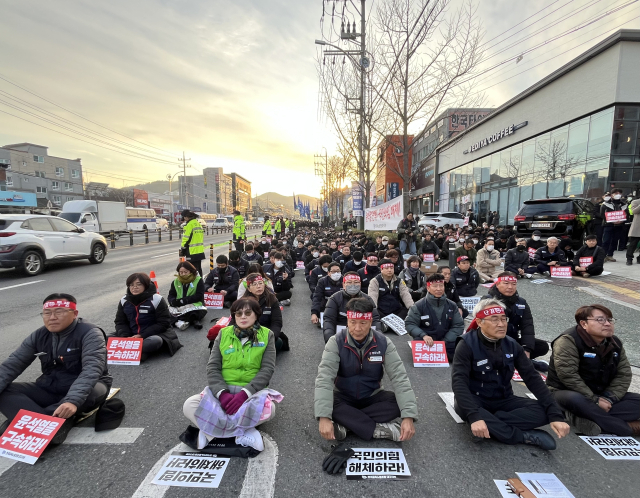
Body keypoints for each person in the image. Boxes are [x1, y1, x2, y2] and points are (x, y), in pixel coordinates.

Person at [452, 300, 570, 449]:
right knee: (466, 409)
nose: (501, 324)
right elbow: (459, 382)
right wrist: (475, 416)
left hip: (504, 399)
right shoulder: (466, 344)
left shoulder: (512, 344)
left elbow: (532, 378)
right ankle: (521, 436)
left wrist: (555, 415)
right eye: (494, 320)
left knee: (548, 410)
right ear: (480, 322)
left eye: (503, 319)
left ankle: (491, 425)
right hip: (475, 400)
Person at [0, 294, 112, 443]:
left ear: (74, 314)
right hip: (50, 387)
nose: (52, 317)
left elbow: (91, 370)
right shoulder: (39, 335)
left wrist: (72, 401)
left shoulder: (90, 333)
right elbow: (12, 365)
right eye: (47, 313)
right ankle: (50, 426)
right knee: (5, 390)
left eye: (59, 312)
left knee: (92, 392)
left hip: (87, 388)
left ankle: (28, 424)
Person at [182, 298, 279, 452]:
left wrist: (244, 394)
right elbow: (213, 367)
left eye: (248, 313)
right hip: (223, 391)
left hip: (250, 394)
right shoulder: (223, 333)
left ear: (256, 315)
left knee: (270, 409)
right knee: (189, 405)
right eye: (238, 313)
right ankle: (244, 431)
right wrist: (222, 394)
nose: (243, 317)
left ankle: (210, 432)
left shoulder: (267, 335)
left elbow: (267, 369)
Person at [314, 298, 417, 441]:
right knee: (325, 406)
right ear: (347, 321)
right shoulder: (335, 342)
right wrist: (324, 417)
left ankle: (348, 425)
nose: (357, 328)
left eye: (363, 323)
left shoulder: (384, 342)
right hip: (343, 396)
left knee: (398, 404)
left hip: (372, 395)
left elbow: (400, 378)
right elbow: (324, 378)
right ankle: (377, 430)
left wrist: (408, 417)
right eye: (352, 322)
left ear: (370, 322)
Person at [546, 304, 640, 436]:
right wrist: (595, 400)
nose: (607, 324)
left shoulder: (615, 343)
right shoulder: (568, 340)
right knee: (575, 399)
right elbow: (568, 376)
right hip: (564, 392)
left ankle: (580, 417)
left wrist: (609, 398)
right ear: (584, 324)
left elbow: (624, 374)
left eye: (610, 320)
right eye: (600, 320)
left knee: (637, 400)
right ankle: (627, 429)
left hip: (600, 394)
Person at [480, 272, 549, 364]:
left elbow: (527, 326)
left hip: (512, 340)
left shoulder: (521, 302)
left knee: (542, 346)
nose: (510, 287)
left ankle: (518, 359)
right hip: (493, 341)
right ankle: (518, 361)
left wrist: (526, 349)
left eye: (513, 284)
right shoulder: (487, 300)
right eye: (506, 283)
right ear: (497, 284)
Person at [114, 273, 182, 360]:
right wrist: (125, 337)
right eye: (131, 285)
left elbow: (163, 323)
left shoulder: (157, 299)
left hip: (151, 335)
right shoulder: (124, 301)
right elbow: (120, 322)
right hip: (131, 335)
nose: (134, 287)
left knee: (155, 341)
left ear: (146, 285)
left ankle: (130, 351)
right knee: (104, 338)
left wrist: (141, 335)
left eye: (138, 284)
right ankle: (137, 352)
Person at [405, 273, 464, 360]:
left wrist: (446, 340)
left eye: (441, 286)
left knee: (460, 348)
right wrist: (423, 335)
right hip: (427, 340)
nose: (439, 289)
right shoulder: (418, 305)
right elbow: (410, 323)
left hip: (447, 340)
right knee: (419, 345)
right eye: (435, 286)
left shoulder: (452, 305)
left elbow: (458, 325)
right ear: (428, 288)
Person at [322, 273, 382, 342]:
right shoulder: (334, 298)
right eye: (349, 282)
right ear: (343, 285)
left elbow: (375, 320)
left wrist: (378, 338)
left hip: (362, 333)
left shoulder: (367, 299)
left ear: (360, 284)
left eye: (356, 282)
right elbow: (329, 320)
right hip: (340, 334)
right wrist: (330, 339)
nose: (353, 285)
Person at [243, 274, 287, 352]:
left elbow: (277, 322)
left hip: (266, 333)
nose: (258, 286)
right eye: (254, 284)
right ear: (249, 289)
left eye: (260, 283)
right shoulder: (243, 302)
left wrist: (271, 337)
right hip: (248, 333)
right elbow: (235, 322)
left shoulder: (272, 299)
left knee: (278, 342)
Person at [169, 261, 208, 330]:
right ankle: (190, 321)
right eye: (181, 272)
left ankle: (178, 321)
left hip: (194, 304)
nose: (183, 274)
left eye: (186, 272)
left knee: (195, 312)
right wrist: (172, 301)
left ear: (191, 271)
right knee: (165, 311)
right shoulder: (175, 282)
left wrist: (184, 301)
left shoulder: (198, 280)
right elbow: (171, 295)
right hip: (179, 305)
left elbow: (199, 296)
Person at [311, 262, 343, 326]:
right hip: (326, 306)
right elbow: (317, 297)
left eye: (338, 271)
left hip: (341, 307)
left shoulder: (345, 280)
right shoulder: (322, 281)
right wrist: (314, 313)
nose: (336, 273)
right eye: (333, 271)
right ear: (328, 273)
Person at [601, 188, 628, 262]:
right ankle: (603, 256)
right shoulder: (606, 204)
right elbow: (602, 214)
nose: (618, 194)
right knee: (606, 241)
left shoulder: (623, 204)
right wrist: (611, 221)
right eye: (616, 193)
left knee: (615, 241)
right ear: (612, 195)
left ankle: (610, 255)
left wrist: (621, 221)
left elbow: (627, 215)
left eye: (619, 193)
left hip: (619, 226)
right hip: (608, 225)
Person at [180, 210, 205, 276]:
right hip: (199, 250)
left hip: (191, 251)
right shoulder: (198, 223)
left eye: (184, 217)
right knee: (198, 268)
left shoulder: (189, 225)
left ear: (186, 217)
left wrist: (183, 249)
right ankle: (200, 283)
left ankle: (195, 284)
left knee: (192, 269)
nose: (184, 219)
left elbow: (186, 238)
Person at [625, 196, 640, 265]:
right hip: (637, 226)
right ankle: (629, 258)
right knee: (633, 244)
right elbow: (634, 211)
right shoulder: (635, 202)